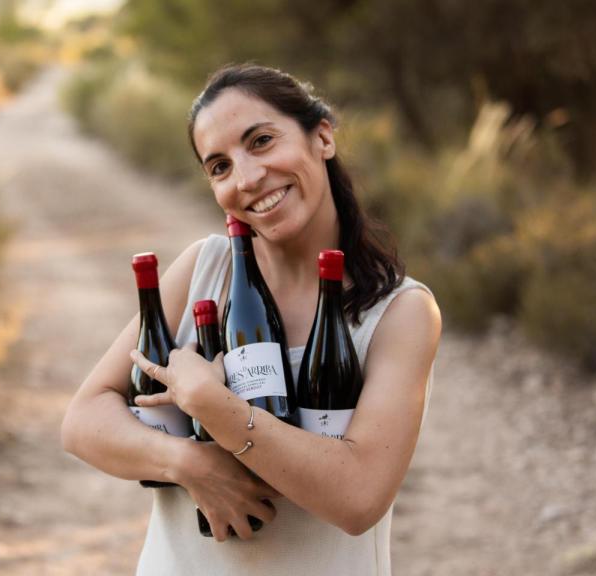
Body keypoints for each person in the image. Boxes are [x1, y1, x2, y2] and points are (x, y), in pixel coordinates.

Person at [60, 64, 442, 575]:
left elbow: (358, 496)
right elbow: (83, 421)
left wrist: (209, 404)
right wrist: (191, 463)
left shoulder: (401, 312)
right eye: (219, 166)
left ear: (322, 137)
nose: (246, 178)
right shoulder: (203, 267)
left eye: (261, 141)